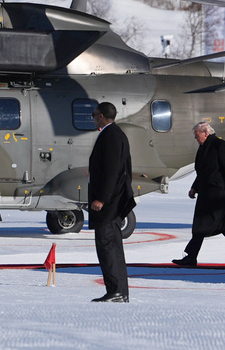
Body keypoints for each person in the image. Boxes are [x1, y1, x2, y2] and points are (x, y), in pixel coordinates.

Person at [172, 121, 225, 269]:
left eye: (197, 135)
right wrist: (194, 188)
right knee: (200, 228)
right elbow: (203, 171)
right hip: (206, 193)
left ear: (206, 133)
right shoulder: (204, 148)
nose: (196, 138)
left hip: (219, 195)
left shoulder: (220, 146)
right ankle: (191, 257)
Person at [88, 101, 135, 303]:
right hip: (113, 202)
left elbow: (112, 171)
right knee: (113, 246)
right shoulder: (114, 134)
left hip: (109, 204)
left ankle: (116, 291)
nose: (93, 118)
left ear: (101, 116)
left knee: (107, 246)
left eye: (94, 114)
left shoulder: (111, 136)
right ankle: (119, 291)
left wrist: (102, 198)